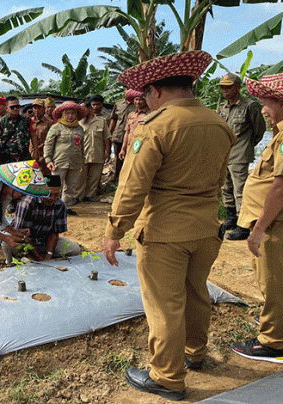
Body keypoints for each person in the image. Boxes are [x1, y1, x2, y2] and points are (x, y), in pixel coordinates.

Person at [103, 50, 235, 401]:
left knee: (164, 304)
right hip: (207, 227)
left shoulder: (155, 126)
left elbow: (133, 185)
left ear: (157, 91)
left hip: (165, 231)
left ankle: (167, 377)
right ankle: (195, 351)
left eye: (145, 94)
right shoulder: (219, 124)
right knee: (196, 293)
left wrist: (115, 231)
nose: (144, 101)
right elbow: (221, 178)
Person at [230, 73, 283, 363]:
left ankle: (273, 342)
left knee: (273, 281)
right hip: (273, 223)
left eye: (267, 103)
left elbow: (280, 186)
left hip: (275, 226)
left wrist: (259, 229)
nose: (263, 110)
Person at [217, 73, 266, 241]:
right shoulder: (222, 107)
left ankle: (243, 225)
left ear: (238, 87)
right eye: (222, 87)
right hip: (224, 153)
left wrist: (246, 146)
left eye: (228, 87)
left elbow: (259, 129)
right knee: (226, 187)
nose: (224, 90)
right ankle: (231, 218)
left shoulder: (249, 106)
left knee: (240, 189)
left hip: (240, 153)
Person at [1, 174, 81, 265]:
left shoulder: (60, 206)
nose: (52, 198)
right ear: (41, 191)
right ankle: (12, 262)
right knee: (6, 243)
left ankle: (39, 255)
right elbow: (23, 236)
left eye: (56, 195)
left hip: (44, 241)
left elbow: (54, 233)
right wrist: (39, 259)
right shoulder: (27, 204)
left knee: (74, 249)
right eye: (49, 194)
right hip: (24, 241)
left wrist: (48, 255)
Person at [44, 101, 86, 212]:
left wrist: (82, 162)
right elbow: (48, 144)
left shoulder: (80, 129)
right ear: (63, 114)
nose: (70, 116)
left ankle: (65, 207)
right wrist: (48, 160)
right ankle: (51, 207)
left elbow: (82, 147)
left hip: (75, 163)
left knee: (71, 188)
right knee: (54, 186)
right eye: (67, 113)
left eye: (73, 113)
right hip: (59, 163)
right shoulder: (56, 127)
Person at [80, 100, 111, 202]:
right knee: (81, 177)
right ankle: (79, 197)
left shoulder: (101, 121)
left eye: (84, 109)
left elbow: (106, 138)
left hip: (97, 153)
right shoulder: (79, 123)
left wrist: (108, 152)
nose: (82, 111)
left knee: (94, 178)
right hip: (82, 155)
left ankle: (90, 196)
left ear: (90, 109)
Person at [0, 96, 37, 165]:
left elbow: (33, 136)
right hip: (6, 158)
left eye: (17, 106)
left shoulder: (27, 120)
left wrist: (36, 152)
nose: (15, 109)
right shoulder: (0, 122)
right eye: (12, 107)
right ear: (6, 108)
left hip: (24, 157)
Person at [109, 88, 136, 182]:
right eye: (127, 88)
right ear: (124, 90)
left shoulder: (138, 103)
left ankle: (127, 180)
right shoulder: (118, 103)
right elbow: (114, 119)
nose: (129, 90)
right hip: (118, 136)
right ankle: (116, 179)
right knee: (117, 160)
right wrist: (109, 135)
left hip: (131, 137)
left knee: (129, 159)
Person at [119, 92, 150, 160]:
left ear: (145, 100)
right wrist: (123, 149)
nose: (138, 102)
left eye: (140, 100)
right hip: (129, 147)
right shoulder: (131, 115)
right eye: (136, 99)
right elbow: (127, 133)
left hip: (142, 147)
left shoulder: (150, 114)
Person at [30, 98, 54, 175]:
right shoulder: (29, 121)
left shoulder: (50, 123)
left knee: (49, 181)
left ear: (44, 109)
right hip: (31, 157)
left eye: (39, 108)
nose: (36, 110)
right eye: (35, 108)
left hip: (44, 157)